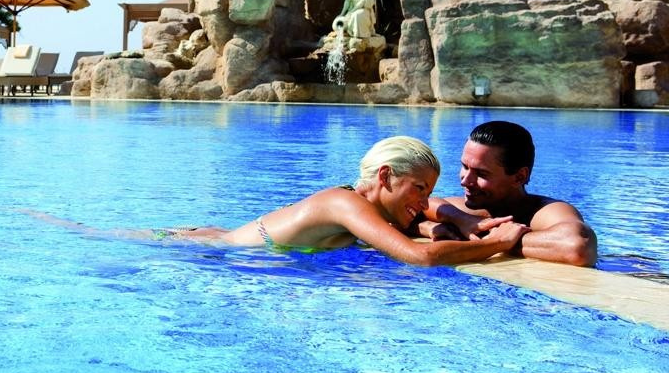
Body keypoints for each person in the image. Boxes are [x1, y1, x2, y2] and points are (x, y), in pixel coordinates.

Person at [152, 136, 529, 266]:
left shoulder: (361, 207)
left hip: (218, 244)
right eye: (419, 188)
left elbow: (412, 224)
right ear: (385, 177)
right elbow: (419, 257)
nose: (424, 200)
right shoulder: (346, 204)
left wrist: (447, 221)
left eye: (428, 192)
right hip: (200, 249)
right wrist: (496, 244)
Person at [419, 121, 597, 267]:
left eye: (481, 174)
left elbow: (579, 247)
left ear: (519, 177)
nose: (465, 180)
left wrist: (497, 240)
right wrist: (459, 220)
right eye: (465, 167)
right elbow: (424, 205)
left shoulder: (543, 212)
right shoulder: (469, 213)